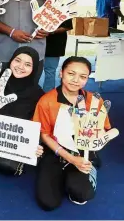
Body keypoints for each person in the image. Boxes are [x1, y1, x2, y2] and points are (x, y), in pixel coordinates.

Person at [33, 57, 112, 210]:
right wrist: (70, 158)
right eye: (71, 73)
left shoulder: (94, 100)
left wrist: (98, 138)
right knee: (48, 203)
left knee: (81, 194)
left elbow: (104, 129)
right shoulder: (46, 101)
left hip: (84, 151)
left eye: (83, 77)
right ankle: (63, 171)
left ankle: (91, 164)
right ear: (61, 73)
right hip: (55, 151)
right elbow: (44, 134)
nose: (76, 80)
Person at [0, 47, 45, 176]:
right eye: (17, 60)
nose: (21, 66)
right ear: (11, 61)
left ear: (34, 69)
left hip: (16, 140)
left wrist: (36, 143)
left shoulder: (38, 94)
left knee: (7, 166)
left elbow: (38, 124)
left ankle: (9, 159)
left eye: (28, 64)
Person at [40, 19, 73, 92]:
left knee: (50, 72)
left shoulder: (64, 8)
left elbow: (68, 26)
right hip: (34, 41)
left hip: (53, 44)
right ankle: (29, 95)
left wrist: (51, 31)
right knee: (33, 71)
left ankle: (48, 95)